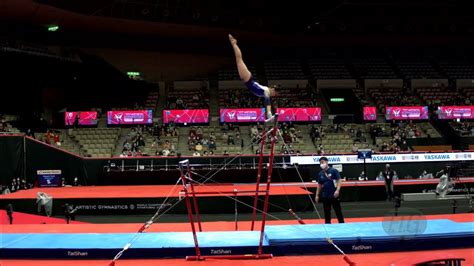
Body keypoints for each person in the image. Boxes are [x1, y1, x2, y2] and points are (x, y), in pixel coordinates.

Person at [229, 34, 277, 123]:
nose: (274, 94)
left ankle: (234, 44)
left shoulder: (265, 91)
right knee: (239, 59)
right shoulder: (266, 91)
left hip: (247, 81)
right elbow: (267, 102)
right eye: (274, 92)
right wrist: (269, 113)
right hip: (248, 79)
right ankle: (234, 43)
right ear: (272, 89)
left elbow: (266, 99)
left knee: (239, 60)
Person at [315, 157, 345, 224]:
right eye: (320, 163)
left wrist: (337, 190)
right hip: (325, 195)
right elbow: (319, 185)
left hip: (334, 194)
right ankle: (327, 225)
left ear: (326, 162)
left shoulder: (333, 170)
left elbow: (339, 180)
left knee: (338, 211)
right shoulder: (320, 174)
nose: (321, 164)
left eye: (322, 162)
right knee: (326, 213)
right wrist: (317, 195)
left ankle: (342, 224)